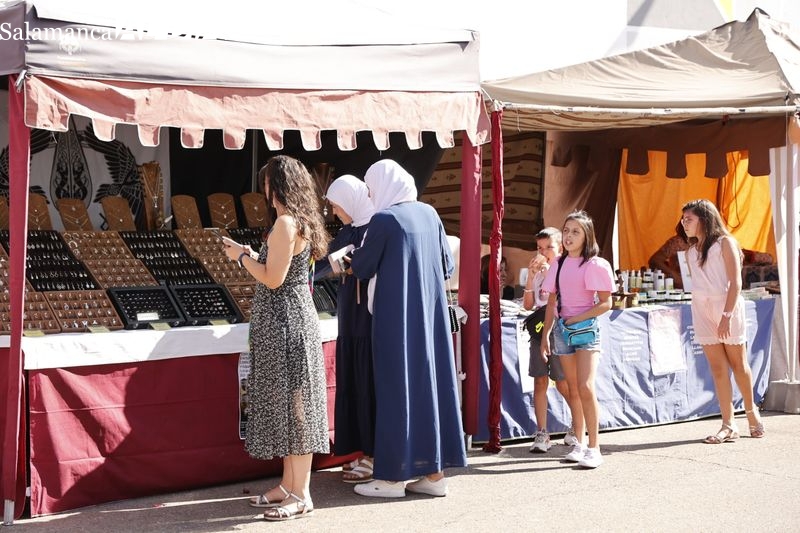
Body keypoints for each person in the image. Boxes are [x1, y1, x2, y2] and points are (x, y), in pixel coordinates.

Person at [349, 159, 466, 498]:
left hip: (394, 318)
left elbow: (363, 266)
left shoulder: (385, 219)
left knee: (394, 390)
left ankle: (389, 479)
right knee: (430, 390)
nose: (371, 196)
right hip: (429, 319)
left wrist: (350, 260)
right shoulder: (430, 214)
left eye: (371, 189)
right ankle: (433, 475)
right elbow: (446, 265)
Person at [223, 155, 331, 521]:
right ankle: (288, 485)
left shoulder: (286, 223)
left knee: (296, 409)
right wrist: (255, 255)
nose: (264, 189)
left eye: (267, 182)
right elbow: (278, 269)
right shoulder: (295, 222)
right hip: (288, 320)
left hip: (287, 324)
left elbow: (272, 279)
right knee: (290, 407)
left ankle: (301, 493)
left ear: (277, 185)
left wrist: (241, 257)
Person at [677, 199, 765, 443]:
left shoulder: (726, 243)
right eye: (683, 219)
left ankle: (751, 413)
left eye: (689, 219)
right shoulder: (690, 251)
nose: (684, 223)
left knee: (738, 364)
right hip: (701, 309)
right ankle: (728, 424)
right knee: (717, 368)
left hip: (727, 307)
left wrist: (726, 316)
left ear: (704, 219)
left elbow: (736, 283)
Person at [540, 211, 615, 469]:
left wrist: (579, 317)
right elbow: (551, 301)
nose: (570, 236)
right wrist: (546, 335)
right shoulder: (558, 263)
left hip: (586, 330)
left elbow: (606, 303)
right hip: (562, 330)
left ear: (587, 236)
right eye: (567, 230)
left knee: (585, 386)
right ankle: (580, 444)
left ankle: (595, 448)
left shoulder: (595, 264)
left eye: (576, 232)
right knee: (572, 388)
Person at [323, 175, 376, 483]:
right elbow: (326, 263)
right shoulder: (347, 230)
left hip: (367, 318)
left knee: (368, 383)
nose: (334, 212)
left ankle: (373, 452)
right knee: (352, 383)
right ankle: (357, 449)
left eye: (336, 205)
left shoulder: (377, 227)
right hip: (349, 318)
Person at [521, 227, 580, 453]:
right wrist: (530, 277)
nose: (543, 252)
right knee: (539, 380)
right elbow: (528, 305)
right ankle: (542, 432)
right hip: (538, 331)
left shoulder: (564, 269)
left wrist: (548, 275)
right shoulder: (537, 271)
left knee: (563, 382)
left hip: (559, 329)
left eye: (549, 248)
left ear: (560, 248)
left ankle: (578, 424)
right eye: (540, 248)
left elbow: (565, 300)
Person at [649, 228, 773, 290]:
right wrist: (674, 275)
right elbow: (655, 260)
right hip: (685, 291)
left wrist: (744, 256)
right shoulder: (679, 242)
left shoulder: (717, 243)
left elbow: (768, 259)